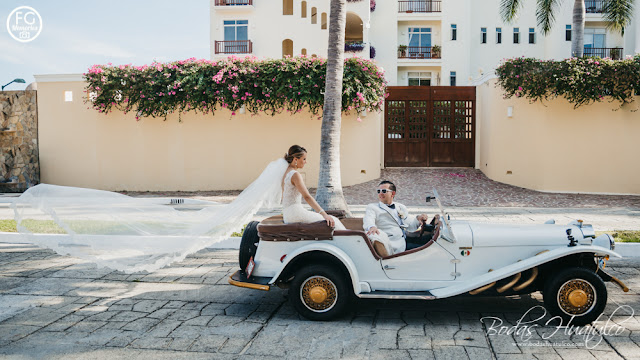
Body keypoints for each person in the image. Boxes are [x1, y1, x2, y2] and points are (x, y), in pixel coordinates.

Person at [363, 180, 435, 256]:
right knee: (428, 252)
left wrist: (418, 219)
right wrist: (372, 226)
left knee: (432, 241)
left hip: (404, 239)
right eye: (378, 191)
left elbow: (410, 227)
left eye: (384, 191)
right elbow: (369, 218)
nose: (380, 193)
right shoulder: (372, 207)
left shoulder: (400, 207)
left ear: (393, 193)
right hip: (391, 244)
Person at [282, 145, 345, 230]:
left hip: (287, 214)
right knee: (334, 221)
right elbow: (307, 197)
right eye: (304, 159)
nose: (305, 162)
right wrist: (324, 214)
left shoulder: (284, 173)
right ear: (296, 159)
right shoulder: (295, 175)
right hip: (295, 213)